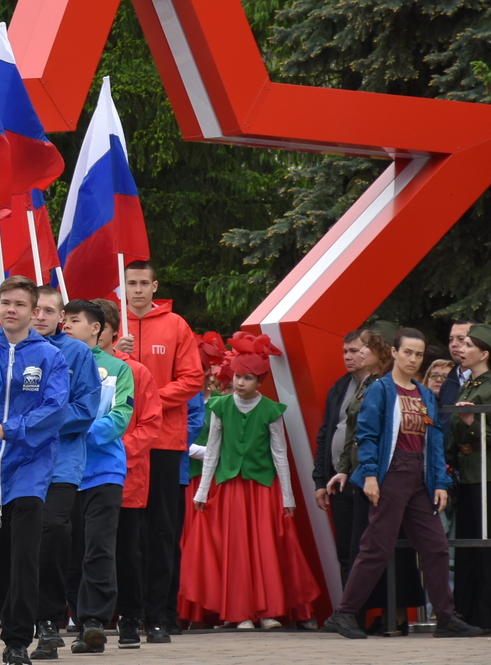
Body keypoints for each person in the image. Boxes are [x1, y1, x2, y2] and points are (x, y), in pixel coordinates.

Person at [324, 328, 485, 639]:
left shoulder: (424, 394)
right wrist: (370, 475)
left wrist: (439, 481)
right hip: (390, 474)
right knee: (377, 547)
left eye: (419, 354)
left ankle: (446, 616)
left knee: (435, 547)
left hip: (420, 477)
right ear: (395, 353)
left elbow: (434, 440)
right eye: (408, 352)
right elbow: (367, 435)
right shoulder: (380, 390)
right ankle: (343, 614)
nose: (413, 359)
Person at [183, 333, 317, 628]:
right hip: (230, 487)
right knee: (237, 549)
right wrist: (203, 492)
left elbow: (280, 454)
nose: (241, 383)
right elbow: (213, 452)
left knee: (266, 546)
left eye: (248, 378)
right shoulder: (220, 407)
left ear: (260, 381)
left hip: (263, 488)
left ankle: (268, 611)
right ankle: (240, 612)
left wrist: (288, 497)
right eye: (237, 377)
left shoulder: (271, 410)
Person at [0, 276, 67, 665]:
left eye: (20, 305)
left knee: (25, 556)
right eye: (5, 303)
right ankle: (10, 622)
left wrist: (11, 430)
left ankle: (17, 642)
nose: (11, 309)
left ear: (35, 312)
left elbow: (55, 407)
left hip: (30, 466)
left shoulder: (50, 356)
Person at [116, 260, 203, 644]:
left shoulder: (176, 325)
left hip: (165, 442)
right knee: (125, 532)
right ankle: (126, 613)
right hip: (122, 441)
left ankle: (161, 613)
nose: (136, 290)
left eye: (143, 283)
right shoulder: (111, 325)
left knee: (162, 529)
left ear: (155, 287)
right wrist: (118, 354)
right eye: (130, 283)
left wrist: (150, 398)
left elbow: (192, 379)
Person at [30, 286, 103, 660]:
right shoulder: (6, 347)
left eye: (48, 311)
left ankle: (50, 619)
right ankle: (32, 619)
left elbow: (86, 408)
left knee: (55, 529)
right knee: (19, 541)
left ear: (61, 317)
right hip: (15, 463)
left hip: (61, 460)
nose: (39, 316)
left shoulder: (76, 352)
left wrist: (35, 424)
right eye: (35, 309)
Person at [60, 299, 134, 653]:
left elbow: (120, 417)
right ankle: (77, 616)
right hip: (63, 473)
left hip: (104, 471)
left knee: (98, 548)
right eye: (65, 320)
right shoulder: (55, 363)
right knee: (70, 551)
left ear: (97, 328)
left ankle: (95, 621)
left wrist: (78, 430)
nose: (66, 326)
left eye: (75, 320)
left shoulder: (117, 370)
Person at [97, 299, 162, 648]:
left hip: (127, 477)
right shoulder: (76, 366)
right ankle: (90, 616)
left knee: (126, 551)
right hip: (86, 475)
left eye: (100, 326)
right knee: (91, 549)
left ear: (109, 331)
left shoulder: (135, 372)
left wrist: (118, 451)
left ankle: (129, 618)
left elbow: (151, 424)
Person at [446, 322, 491, 628]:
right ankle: (467, 611)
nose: (461, 349)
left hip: (490, 476)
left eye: (468, 344)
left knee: (489, 546)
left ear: (484, 353)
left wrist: (470, 421)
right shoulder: (467, 386)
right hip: (469, 475)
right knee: (468, 546)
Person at [313, 331, 372, 582]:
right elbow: (326, 433)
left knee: (369, 549)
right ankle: (350, 617)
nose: (348, 357)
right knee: (346, 551)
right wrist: (319, 480)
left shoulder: (381, 386)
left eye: (355, 351)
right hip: (337, 480)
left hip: (367, 480)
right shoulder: (339, 387)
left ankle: (380, 616)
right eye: (345, 352)